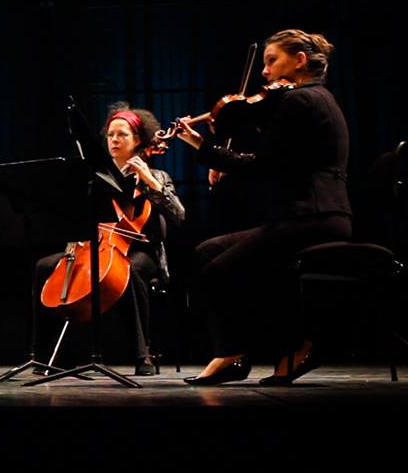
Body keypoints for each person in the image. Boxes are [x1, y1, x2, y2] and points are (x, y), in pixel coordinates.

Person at [176, 29, 352, 385]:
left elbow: (261, 165)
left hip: (311, 216)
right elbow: (278, 155)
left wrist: (204, 149)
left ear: (299, 60)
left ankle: (260, 350)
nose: (264, 71)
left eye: (272, 60)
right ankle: (239, 351)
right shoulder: (316, 99)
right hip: (319, 216)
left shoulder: (300, 100)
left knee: (219, 270)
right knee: (208, 253)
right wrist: (216, 147)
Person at [34, 103, 185, 375]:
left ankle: (142, 354)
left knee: (131, 269)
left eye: (122, 135)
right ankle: (50, 354)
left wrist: (150, 182)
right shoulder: (96, 176)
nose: (114, 140)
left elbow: (178, 215)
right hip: (98, 247)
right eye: (110, 135)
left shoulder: (157, 176)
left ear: (138, 140)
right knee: (44, 266)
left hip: (142, 251)